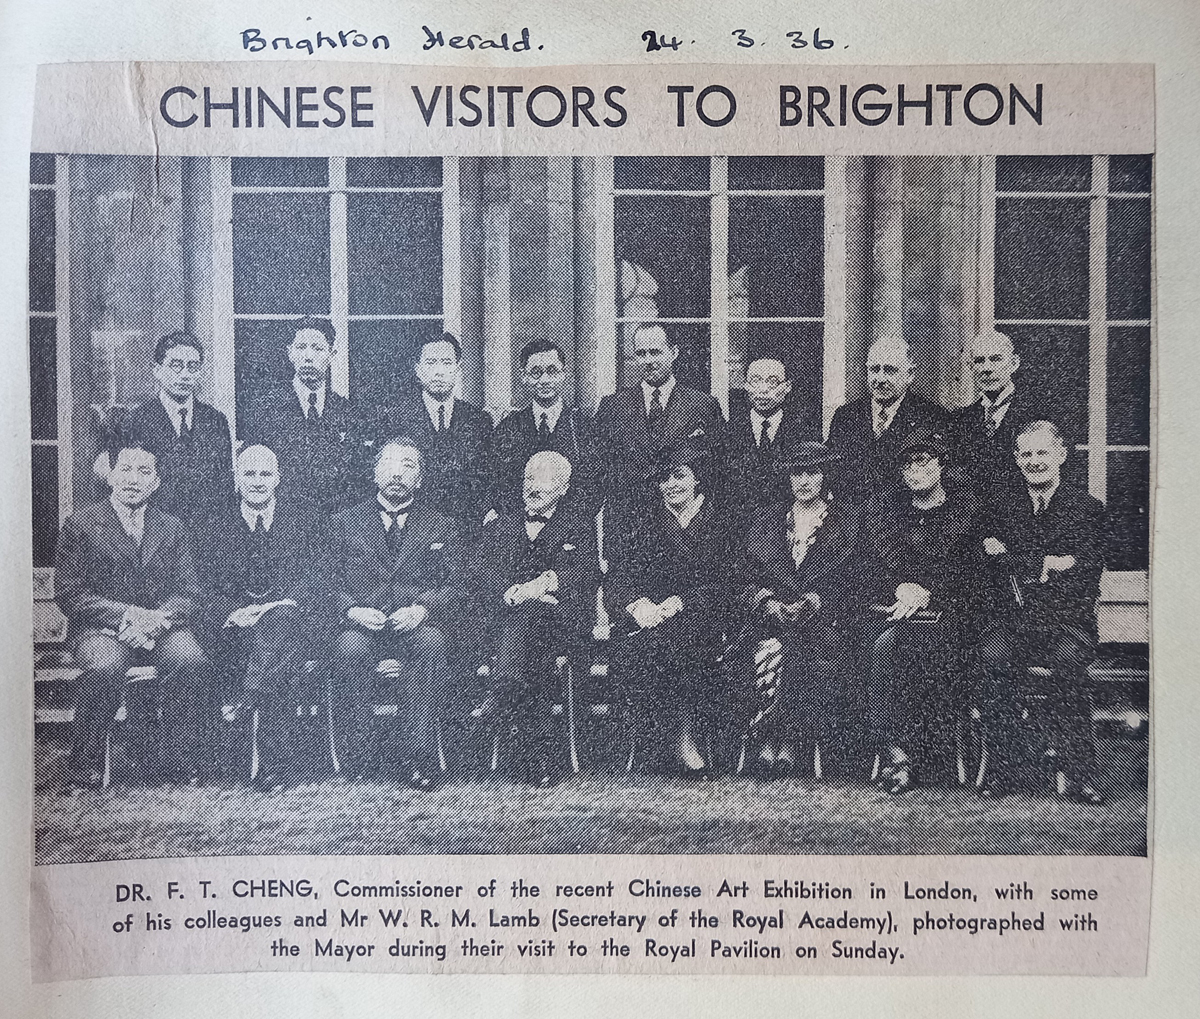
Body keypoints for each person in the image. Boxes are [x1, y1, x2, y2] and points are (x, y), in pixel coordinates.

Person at [53, 441, 209, 790]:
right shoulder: (81, 524)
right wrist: (126, 618)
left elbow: (189, 592)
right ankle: (85, 765)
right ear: (110, 475)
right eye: (126, 469)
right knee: (104, 666)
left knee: (190, 660)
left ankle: (179, 763)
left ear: (156, 482)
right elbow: (69, 592)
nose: (133, 479)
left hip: (162, 628)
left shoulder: (172, 527)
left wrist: (156, 620)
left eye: (144, 472)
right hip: (100, 630)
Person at [972, 420, 1107, 803]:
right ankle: (1008, 765)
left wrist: (1018, 561)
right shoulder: (1003, 509)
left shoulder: (1087, 509)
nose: (1035, 461)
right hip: (1016, 622)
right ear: (1016, 460)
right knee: (991, 657)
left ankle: (1081, 773)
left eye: (1042, 452)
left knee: (1067, 664)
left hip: (1069, 624)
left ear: (1061, 455)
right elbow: (990, 565)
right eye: (1026, 454)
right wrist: (1048, 564)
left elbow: (1084, 574)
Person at [325, 439, 463, 788]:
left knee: (432, 644)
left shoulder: (441, 525)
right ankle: (362, 754)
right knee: (348, 649)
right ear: (374, 474)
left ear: (420, 479)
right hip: (362, 627)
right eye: (388, 465)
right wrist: (352, 610)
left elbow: (456, 584)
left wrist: (423, 608)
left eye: (408, 466)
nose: (397, 474)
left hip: (414, 626)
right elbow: (325, 582)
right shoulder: (343, 522)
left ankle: (417, 756)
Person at [857, 428, 983, 794]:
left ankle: (917, 753)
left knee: (908, 651)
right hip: (895, 611)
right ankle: (894, 752)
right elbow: (874, 567)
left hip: (950, 616)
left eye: (924, 461)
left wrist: (928, 593)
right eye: (908, 463)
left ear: (942, 465)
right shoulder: (890, 515)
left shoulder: (964, 515)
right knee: (879, 648)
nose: (916, 470)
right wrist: (901, 587)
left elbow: (971, 575)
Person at [604, 439, 736, 777]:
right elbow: (618, 578)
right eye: (664, 478)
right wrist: (637, 605)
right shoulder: (644, 522)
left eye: (679, 476)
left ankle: (683, 740)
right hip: (648, 619)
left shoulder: (719, 521)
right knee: (645, 645)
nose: (671, 485)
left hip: (702, 617)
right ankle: (658, 740)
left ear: (697, 479)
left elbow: (725, 582)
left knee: (683, 642)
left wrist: (680, 602)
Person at [196, 445, 324, 792]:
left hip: (291, 622)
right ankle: (272, 765)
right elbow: (201, 586)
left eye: (265, 474)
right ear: (236, 479)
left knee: (279, 626)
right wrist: (232, 612)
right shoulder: (213, 524)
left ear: (278, 478)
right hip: (235, 630)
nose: (257, 482)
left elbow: (315, 577)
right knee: (275, 656)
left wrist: (283, 604)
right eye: (249, 474)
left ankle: (247, 699)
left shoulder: (303, 519)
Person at [471, 451, 599, 786]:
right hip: (511, 625)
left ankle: (500, 695)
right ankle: (539, 755)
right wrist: (514, 593)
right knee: (534, 636)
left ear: (564, 487)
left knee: (537, 617)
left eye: (545, 479)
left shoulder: (577, 525)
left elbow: (583, 572)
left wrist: (542, 585)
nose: (534, 486)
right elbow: (484, 573)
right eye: (529, 478)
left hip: (562, 624)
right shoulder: (502, 524)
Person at [739, 442, 862, 779]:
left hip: (825, 624)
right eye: (797, 473)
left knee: (801, 644)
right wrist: (768, 603)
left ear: (825, 476)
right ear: (788, 477)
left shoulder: (846, 522)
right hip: (769, 622)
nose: (804, 481)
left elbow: (856, 580)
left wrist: (816, 601)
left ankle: (779, 738)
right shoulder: (767, 520)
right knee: (780, 644)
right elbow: (742, 578)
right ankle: (787, 739)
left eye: (812, 472)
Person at [591, 323, 726, 518]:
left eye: (655, 352)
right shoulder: (613, 406)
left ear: (673, 352)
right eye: (641, 354)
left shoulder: (703, 405)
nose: (648, 360)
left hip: (681, 527)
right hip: (628, 528)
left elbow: (718, 471)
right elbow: (596, 472)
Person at [238, 316, 364, 515]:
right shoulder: (265, 409)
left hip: (335, 522)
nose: (308, 356)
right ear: (290, 353)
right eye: (301, 347)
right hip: (285, 522)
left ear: (332, 355)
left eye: (317, 348)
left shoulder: (347, 412)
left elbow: (356, 479)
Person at [371, 333, 493, 525]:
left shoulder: (478, 420)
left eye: (446, 363)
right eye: (431, 363)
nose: (439, 371)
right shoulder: (394, 418)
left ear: (458, 369)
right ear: (418, 370)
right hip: (413, 528)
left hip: (466, 527)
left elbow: (487, 477)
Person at [122, 332, 233, 523]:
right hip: (157, 537)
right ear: (157, 370)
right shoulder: (137, 421)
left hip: (206, 537)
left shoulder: (216, 421)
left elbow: (225, 488)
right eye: (176, 365)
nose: (184, 375)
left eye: (193, 367)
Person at [827, 336, 949, 505]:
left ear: (910, 375)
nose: (881, 379)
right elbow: (831, 472)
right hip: (853, 525)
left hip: (907, 522)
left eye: (890, 370)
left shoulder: (932, 416)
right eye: (875, 370)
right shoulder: (846, 416)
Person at [482, 339, 593, 519]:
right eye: (536, 373)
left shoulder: (583, 428)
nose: (544, 380)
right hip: (520, 532)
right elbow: (498, 485)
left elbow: (590, 489)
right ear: (524, 376)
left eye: (552, 371)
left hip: (570, 534)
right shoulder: (508, 428)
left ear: (563, 374)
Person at [726, 354, 821, 519]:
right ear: (745, 386)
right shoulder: (729, 432)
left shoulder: (805, 432)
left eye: (772, 382)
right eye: (755, 381)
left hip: (787, 527)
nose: (763, 389)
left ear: (787, 387)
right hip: (740, 531)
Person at [950, 329, 1044, 494]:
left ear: (1014, 363)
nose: (987, 368)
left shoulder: (1039, 411)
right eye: (979, 361)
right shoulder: (960, 419)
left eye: (995, 359)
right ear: (971, 367)